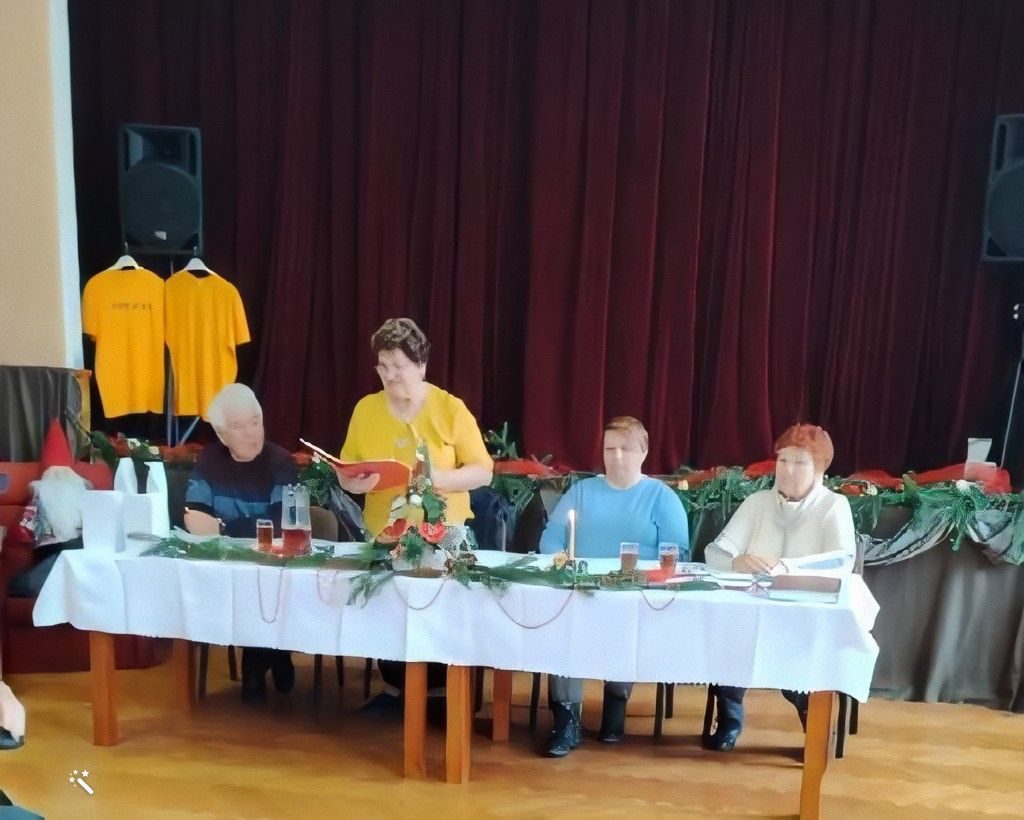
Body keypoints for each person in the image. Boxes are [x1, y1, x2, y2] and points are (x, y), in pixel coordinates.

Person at [335, 318, 493, 702]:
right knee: (387, 615)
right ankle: (394, 693)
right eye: (382, 366)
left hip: (443, 534)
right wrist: (353, 483)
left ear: (421, 365)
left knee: (436, 615)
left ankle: (440, 698)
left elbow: (483, 471)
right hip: (385, 532)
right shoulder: (366, 409)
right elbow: (346, 469)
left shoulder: (450, 409)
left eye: (398, 366)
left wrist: (437, 479)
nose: (389, 375)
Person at [538, 416, 689, 757]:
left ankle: (615, 706)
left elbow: (676, 552)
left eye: (625, 448)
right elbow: (551, 539)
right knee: (563, 622)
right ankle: (566, 720)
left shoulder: (662, 497)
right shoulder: (581, 492)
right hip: (581, 589)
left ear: (644, 451)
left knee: (626, 622)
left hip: (635, 595)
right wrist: (563, 564)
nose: (617, 456)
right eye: (610, 449)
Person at [702, 423, 856, 751]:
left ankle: (815, 727)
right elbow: (716, 552)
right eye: (783, 460)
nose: (788, 470)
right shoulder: (757, 502)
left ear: (819, 469)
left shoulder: (833, 506)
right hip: (749, 611)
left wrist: (786, 567)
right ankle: (729, 717)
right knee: (728, 636)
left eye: (800, 463)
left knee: (800, 657)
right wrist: (736, 561)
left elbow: (840, 561)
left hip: (804, 615)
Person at [184, 383, 298, 704]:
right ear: (221, 435)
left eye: (256, 421)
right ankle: (273, 656)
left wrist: (223, 526)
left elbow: (280, 524)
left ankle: (257, 665)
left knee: (261, 585)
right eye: (239, 426)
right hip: (227, 565)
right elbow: (194, 516)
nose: (252, 432)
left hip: (273, 565)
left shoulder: (282, 463)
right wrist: (240, 528)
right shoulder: (210, 459)